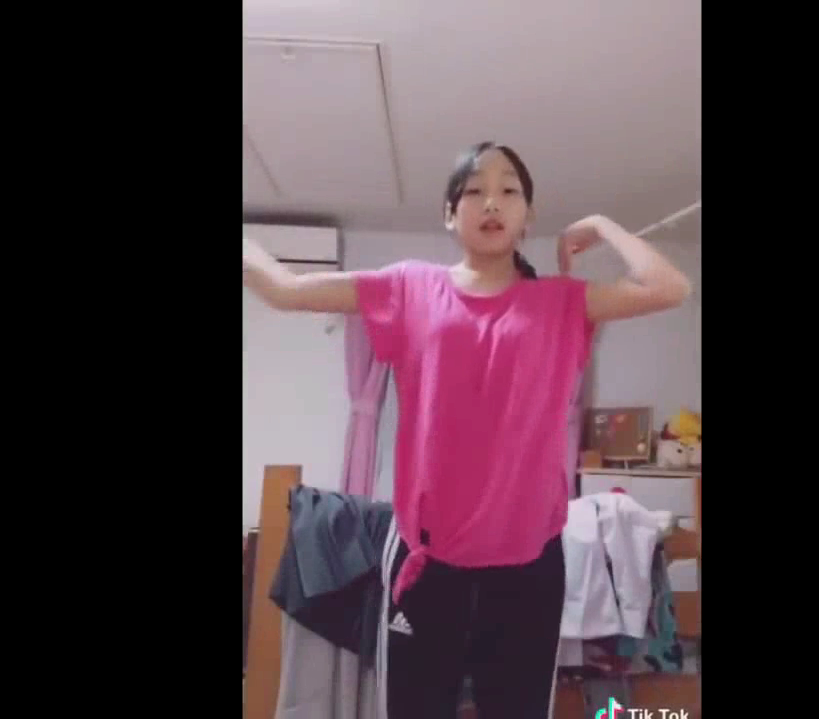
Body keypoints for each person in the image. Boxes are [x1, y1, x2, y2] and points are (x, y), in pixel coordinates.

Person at [243, 142, 691, 718]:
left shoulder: (562, 303)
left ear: (528, 215)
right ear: (449, 214)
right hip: (429, 563)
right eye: (475, 191)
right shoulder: (408, 288)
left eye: (509, 191)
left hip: (529, 566)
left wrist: (602, 225)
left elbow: (670, 287)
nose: (492, 203)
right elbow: (283, 290)